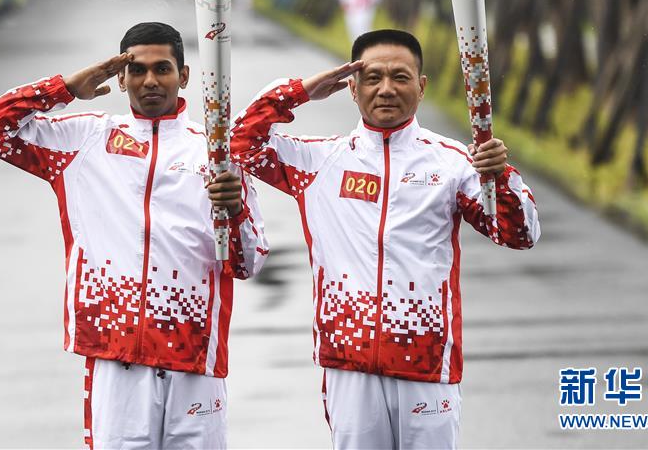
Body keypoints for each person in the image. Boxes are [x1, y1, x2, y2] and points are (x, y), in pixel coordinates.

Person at [230, 29, 540, 449]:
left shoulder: (454, 165)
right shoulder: (318, 163)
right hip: (349, 365)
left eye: (400, 77)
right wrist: (300, 91)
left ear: (422, 86)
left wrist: (499, 176)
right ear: (352, 88)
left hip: (427, 365)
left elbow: (519, 233)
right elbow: (240, 143)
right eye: (373, 77)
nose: (387, 89)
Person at [0, 22, 268, 449]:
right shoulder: (84, 140)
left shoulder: (218, 153)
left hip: (195, 361)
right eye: (137, 70)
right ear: (120, 77)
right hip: (116, 358)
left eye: (162, 68)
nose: (149, 80)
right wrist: (65, 88)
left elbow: (247, 262)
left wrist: (235, 212)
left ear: (184, 76)